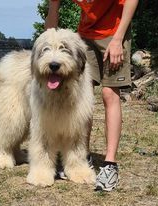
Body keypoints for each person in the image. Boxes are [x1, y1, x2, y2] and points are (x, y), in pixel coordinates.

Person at [45, 0, 139, 191]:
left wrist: (118, 39)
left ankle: (110, 164)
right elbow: (50, 29)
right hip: (85, 36)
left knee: (109, 94)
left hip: (114, 32)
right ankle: (81, 156)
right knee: (83, 95)